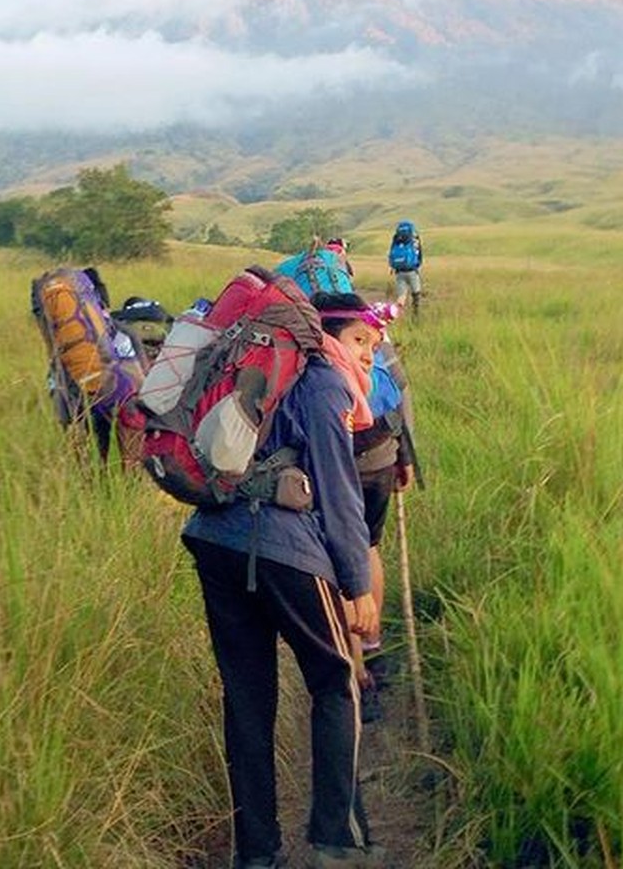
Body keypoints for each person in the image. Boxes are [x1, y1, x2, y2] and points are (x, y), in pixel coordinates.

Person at [181, 291, 387, 869]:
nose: (369, 356)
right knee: (336, 680)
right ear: (323, 336)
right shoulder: (322, 382)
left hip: (213, 538)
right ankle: (335, 841)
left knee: (247, 702)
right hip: (284, 548)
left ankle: (257, 855)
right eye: (363, 342)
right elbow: (339, 491)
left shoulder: (243, 365)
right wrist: (357, 584)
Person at [315, 295, 415, 725]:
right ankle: (369, 648)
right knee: (367, 545)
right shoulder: (366, 317)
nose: (367, 352)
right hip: (381, 453)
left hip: (347, 460)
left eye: (369, 344)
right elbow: (400, 397)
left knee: (342, 556)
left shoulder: (315, 341)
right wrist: (405, 456)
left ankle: (355, 667)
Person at [40, 266, 144, 467]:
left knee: (87, 462)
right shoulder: (120, 333)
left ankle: (88, 485)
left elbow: (54, 383)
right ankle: (131, 487)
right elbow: (140, 383)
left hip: (73, 403)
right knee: (131, 454)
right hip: (114, 396)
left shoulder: (62, 339)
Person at [386, 221, 423, 316]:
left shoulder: (396, 238)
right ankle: (415, 317)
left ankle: (394, 315)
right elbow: (419, 253)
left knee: (401, 296)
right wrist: (418, 265)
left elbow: (391, 253)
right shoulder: (414, 238)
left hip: (399, 271)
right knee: (416, 294)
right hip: (412, 271)